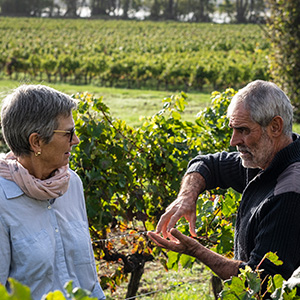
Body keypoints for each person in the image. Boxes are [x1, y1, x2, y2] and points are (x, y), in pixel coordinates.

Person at [148, 80, 300, 288]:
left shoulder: (290, 192)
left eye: (244, 130)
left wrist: (196, 250)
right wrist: (186, 197)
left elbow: (260, 282)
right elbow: (207, 164)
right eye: (233, 129)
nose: (233, 140)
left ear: (275, 127)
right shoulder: (263, 160)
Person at [0, 85, 106, 300]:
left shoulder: (71, 184)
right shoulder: (3, 200)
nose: (75, 140)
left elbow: (88, 278)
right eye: (68, 133)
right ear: (36, 142)